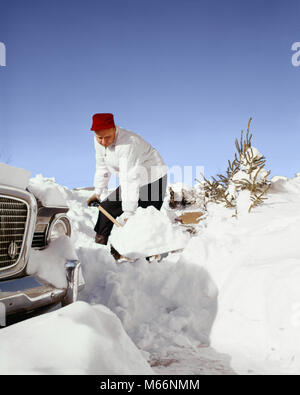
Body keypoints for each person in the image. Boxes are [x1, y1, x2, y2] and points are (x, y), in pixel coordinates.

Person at [87, 113, 168, 246]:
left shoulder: (128, 144)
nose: (103, 142)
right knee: (106, 208)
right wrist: (98, 192)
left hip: (153, 179)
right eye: (99, 137)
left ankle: (147, 257)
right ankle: (99, 247)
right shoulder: (99, 142)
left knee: (144, 220)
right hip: (132, 178)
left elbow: (129, 179)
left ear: (114, 129)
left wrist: (129, 213)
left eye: (107, 137)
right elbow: (102, 167)